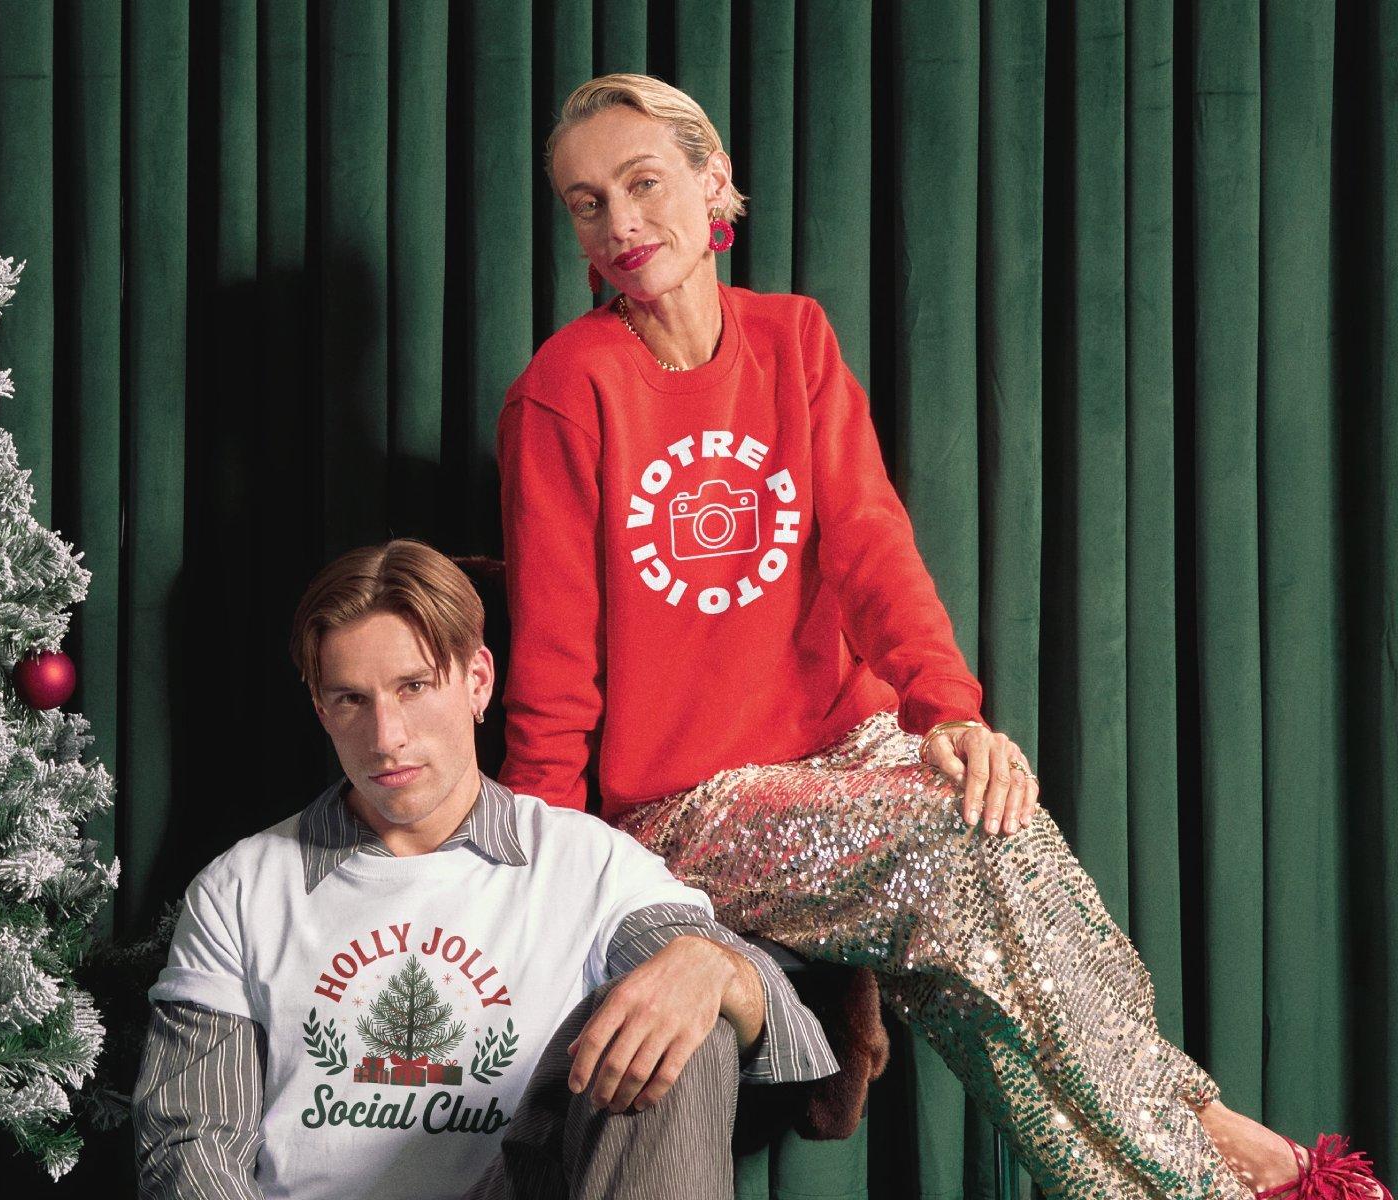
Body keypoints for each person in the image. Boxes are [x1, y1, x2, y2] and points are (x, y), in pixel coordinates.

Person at [495, 72, 1385, 1200]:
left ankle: (1160, 1174)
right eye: (585, 203)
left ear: (714, 181)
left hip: (846, 750)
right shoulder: (565, 394)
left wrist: (948, 713)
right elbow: (555, 669)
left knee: (992, 834)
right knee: (953, 854)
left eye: (641, 183)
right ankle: (1212, 1148)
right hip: (689, 799)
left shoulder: (794, 341)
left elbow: (871, 547)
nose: (618, 225)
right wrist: (542, 881)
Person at [134, 540, 837, 1199]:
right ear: (321, 708)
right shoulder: (241, 888)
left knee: (687, 1015)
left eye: (414, 687)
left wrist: (714, 969)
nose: (387, 738)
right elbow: (190, 1144)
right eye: (352, 699)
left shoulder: (588, 867)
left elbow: (793, 1034)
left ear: (477, 681)